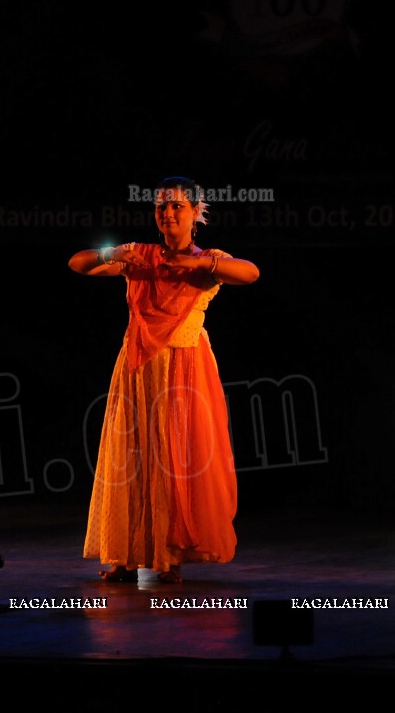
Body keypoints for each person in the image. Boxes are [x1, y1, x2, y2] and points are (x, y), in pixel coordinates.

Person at [69, 179, 258, 583]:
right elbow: (78, 263)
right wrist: (111, 253)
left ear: (195, 212)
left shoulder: (207, 260)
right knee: (130, 458)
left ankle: (169, 555)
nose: (167, 213)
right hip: (137, 367)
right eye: (161, 207)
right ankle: (123, 555)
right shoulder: (140, 257)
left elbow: (250, 272)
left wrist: (201, 264)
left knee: (174, 462)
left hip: (183, 370)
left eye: (176, 206)